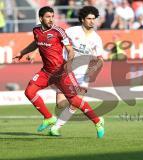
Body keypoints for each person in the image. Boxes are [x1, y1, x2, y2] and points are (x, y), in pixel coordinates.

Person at [13, 6, 104, 138]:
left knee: (75, 101)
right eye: (48, 17)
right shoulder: (40, 30)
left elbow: (70, 50)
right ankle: (49, 118)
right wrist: (24, 52)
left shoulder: (61, 31)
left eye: (52, 16)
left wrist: (73, 65)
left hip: (66, 71)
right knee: (31, 92)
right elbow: (39, 42)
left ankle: (96, 122)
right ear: (40, 18)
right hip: (47, 71)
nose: (51, 19)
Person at [50, 6, 104, 136]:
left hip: (83, 76)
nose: (92, 21)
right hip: (65, 72)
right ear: (82, 19)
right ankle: (99, 119)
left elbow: (100, 59)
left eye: (94, 19)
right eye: (89, 18)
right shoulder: (72, 31)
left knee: (75, 103)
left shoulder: (97, 39)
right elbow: (56, 41)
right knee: (60, 104)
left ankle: (55, 128)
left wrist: (94, 69)